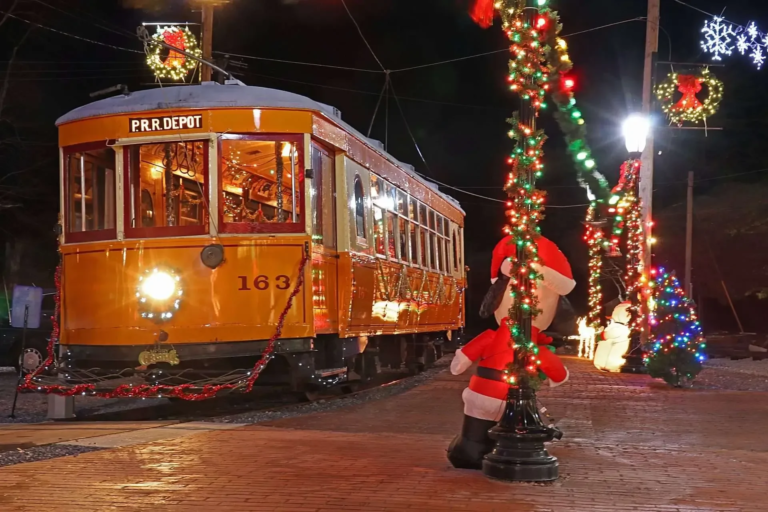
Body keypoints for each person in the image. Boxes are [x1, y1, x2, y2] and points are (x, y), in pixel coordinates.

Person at [447, 236, 576, 469]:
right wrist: (560, 376)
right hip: (509, 395)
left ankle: (468, 450)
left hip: (480, 391)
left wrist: (460, 362)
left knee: (474, 431)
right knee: (509, 426)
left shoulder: (493, 335)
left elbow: (465, 356)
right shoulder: (531, 343)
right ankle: (501, 451)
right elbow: (555, 370)